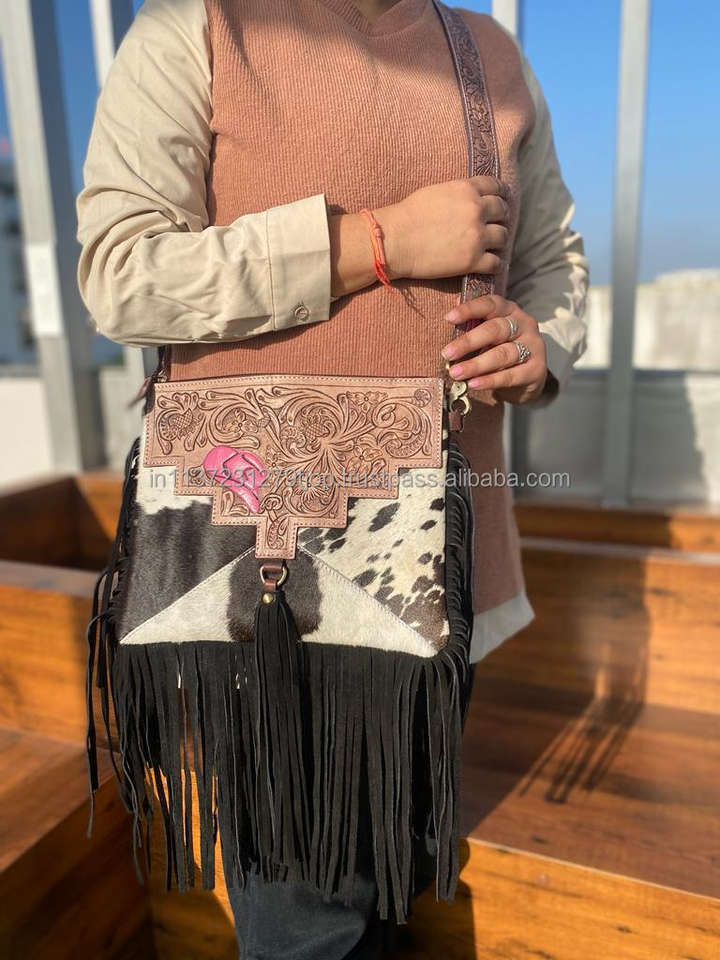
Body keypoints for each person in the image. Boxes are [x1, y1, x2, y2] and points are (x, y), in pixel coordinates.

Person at [76, 0, 589, 956]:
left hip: (441, 572)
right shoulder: (201, 25)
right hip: (263, 586)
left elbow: (551, 259)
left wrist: (539, 344)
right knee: (308, 928)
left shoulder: (489, 55)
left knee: (394, 881)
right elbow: (122, 272)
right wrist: (376, 242)